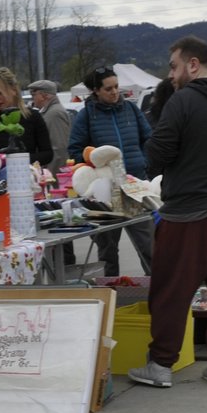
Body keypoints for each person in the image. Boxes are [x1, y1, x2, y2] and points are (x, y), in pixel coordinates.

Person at [130, 36, 207, 390]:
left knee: (171, 290)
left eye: (173, 66)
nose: (169, 75)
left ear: (193, 64)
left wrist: (160, 116)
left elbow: (155, 157)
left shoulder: (184, 101)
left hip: (189, 213)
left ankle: (161, 365)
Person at [68, 65, 156, 275]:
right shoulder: (86, 116)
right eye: (108, 89)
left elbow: (149, 139)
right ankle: (111, 295)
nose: (115, 92)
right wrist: (94, 162)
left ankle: (155, 293)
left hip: (133, 187)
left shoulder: (131, 109)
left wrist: (143, 161)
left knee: (148, 247)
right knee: (107, 251)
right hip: (105, 192)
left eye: (116, 87)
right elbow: (75, 150)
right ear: (96, 91)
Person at [0, 66, 54, 168]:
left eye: (0, 93)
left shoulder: (33, 117)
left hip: (27, 178)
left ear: (14, 90)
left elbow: (47, 154)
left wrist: (19, 160)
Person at [29, 79, 71, 154]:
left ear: (44, 95)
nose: (32, 99)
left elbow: (58, 148)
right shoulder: (51, 112)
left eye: (34, 95)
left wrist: (52, 166)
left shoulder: (54, 114)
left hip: (55, 164)